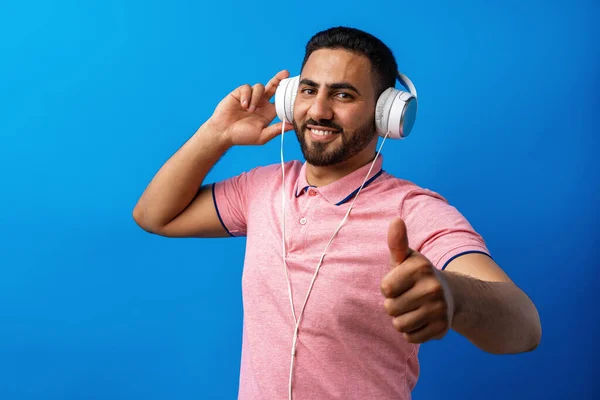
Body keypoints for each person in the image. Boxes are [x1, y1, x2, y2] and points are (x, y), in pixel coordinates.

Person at [133, 26, 541, 400]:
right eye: (308, 91)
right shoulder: (261, 188)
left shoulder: (414, 211)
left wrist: (456, 296)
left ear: (387, 115)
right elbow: (155, 215)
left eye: (344, 95)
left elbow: (524, 324)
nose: (319, 111)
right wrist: (217, 134)